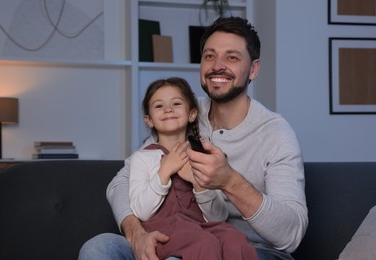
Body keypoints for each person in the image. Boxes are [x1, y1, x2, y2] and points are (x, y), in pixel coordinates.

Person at [79, 16, 308, 260]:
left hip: (253, 251)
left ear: (253, 69)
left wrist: (229, 181)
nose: (217, 66)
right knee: (99, 248)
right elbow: (120, 183)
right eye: (210, 56)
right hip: (180, 239)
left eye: (232, 57)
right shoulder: (184, 112)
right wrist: (136, 234)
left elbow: (291, 235)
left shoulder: (275, 133)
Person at [128, 77, 258, 260]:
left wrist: (199, 184)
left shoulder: (203, 157)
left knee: (235, 239)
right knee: (203, 242)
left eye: (176, 103)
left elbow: (218, 217)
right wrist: (164, 171)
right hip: (163, 231)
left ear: (192, 114)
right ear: (149, 120)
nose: (168, 109)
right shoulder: (142, 158)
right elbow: (140, 211)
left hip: (199, 227)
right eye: (159, 106)